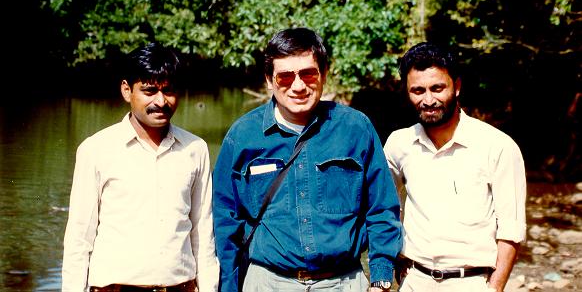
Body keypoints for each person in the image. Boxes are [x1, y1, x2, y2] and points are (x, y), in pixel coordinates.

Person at [212, 28, 402, 292]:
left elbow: (382, 210)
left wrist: (380, 279)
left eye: (308, 73)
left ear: (324, 74)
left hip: (345, 282)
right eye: (285, 76)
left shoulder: (356, 128)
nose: (298, 85)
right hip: (267, 282)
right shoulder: (242, 136)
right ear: (269, 80)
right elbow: (225, 222)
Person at [62, 42, 219, 292]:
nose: (161, 101)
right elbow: (79, 240)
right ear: (127, 91)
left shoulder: (195, 149)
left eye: (168, 90)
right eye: (149, 91)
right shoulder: (96, 150)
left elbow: (203, 232)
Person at [383, 42, 526, 292]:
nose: (428, 100)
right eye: (418, 90)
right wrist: (395, 261)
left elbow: (511, 230)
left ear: (457, 87)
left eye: (437, 88)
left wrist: (494, 289)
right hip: (414, 281)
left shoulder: (498, 146)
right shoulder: (399, 144)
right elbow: (382, 207)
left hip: (472, 282)